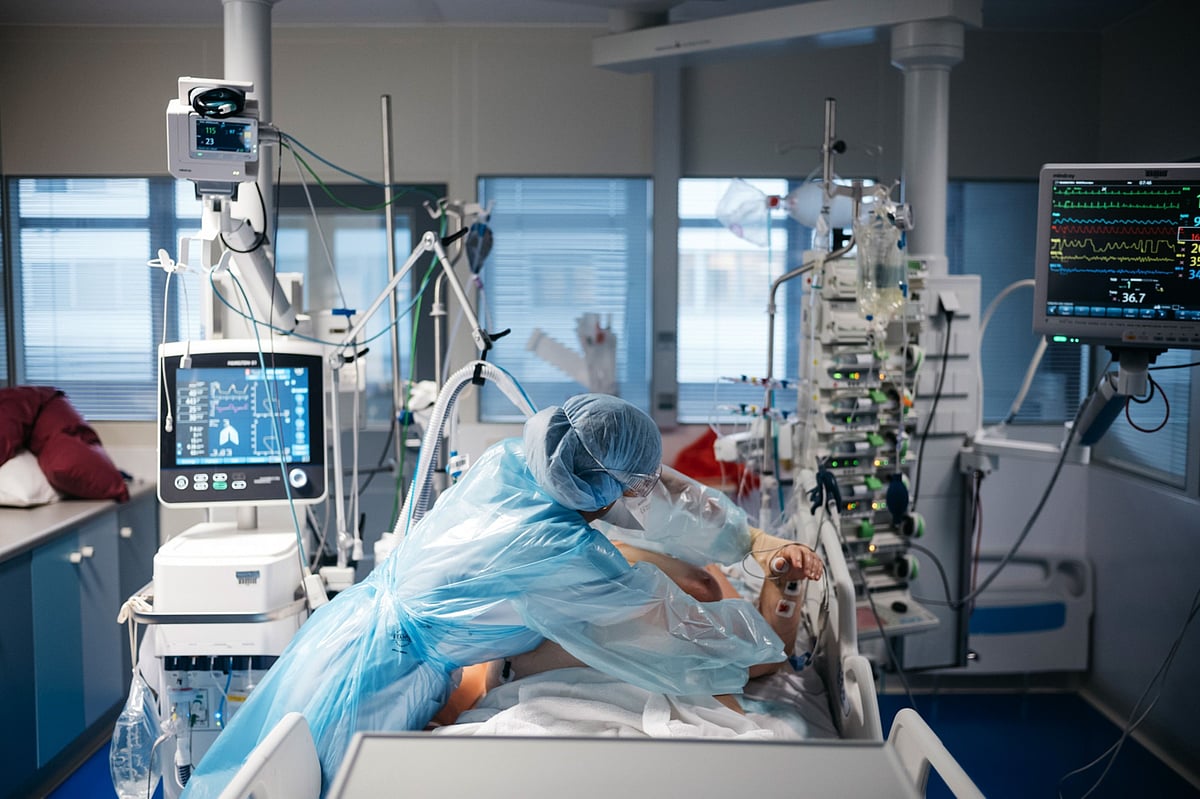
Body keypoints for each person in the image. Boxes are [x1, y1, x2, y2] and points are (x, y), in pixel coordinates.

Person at [181, 393, 815, 797]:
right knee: (310, 784)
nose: (649, 496)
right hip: (376, 682)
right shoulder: (562, 557)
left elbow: (662, 495)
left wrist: (750, 540)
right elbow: (688, 637)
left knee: (260, 770)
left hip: (340, 637)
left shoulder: (515, 463)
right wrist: (769, 633)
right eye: (637, 487)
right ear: (605, 488)